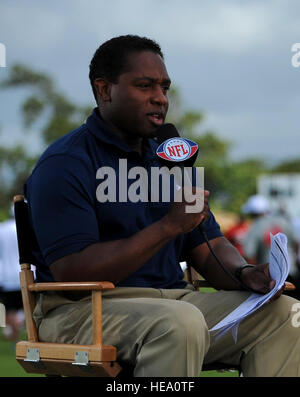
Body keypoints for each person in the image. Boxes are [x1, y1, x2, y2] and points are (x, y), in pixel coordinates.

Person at [24, 35, 300, 377]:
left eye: (164, 87)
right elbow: (75, 273)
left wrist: (246, 272)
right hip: (82, 310)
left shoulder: (168, 162)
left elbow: (209, 246)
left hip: (174, 303)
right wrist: (168, 226)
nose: (160, 98)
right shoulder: (65, 163)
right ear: (104, 89)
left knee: (287, 315)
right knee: (179, 324)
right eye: (145, 86)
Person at [242, 194, 300, 300]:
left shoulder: (255, 227)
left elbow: (249, 254)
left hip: (270, 279)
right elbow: (296, 243)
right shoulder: (284, 222)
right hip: (291, 273)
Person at [0, 208, 25, 342]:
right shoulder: (24, 229)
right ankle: (15, 336)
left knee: (9, 308)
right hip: (23, 274)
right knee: (24, 307)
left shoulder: (1, 229)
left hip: (5, 276)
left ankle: (12, 335)